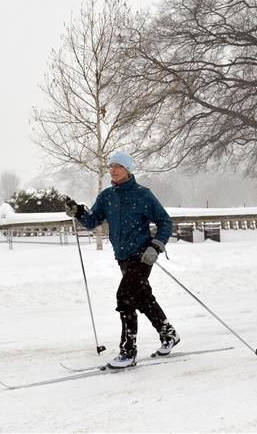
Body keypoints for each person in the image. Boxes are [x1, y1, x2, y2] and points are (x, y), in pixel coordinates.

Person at [65, 151, 179, 368]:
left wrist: (156, 246)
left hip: (142, 257)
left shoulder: (143, 195)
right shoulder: (107, 196)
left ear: (128, 170)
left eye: (118, 166)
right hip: (123, 257)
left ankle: (128, 351)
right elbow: (92, 221)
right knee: (143, 298)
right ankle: (168, 333)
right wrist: (78, 212)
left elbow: (165, 222)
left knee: (125, 297)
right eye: (111, 166)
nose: (113, 170)